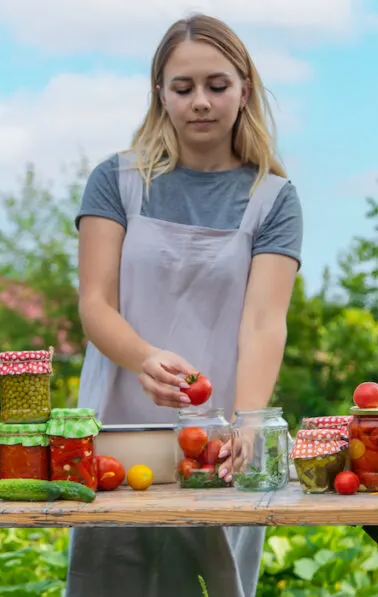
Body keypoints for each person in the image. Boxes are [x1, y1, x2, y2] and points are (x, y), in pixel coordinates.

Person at [68, 12, 303, 597]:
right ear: (160, 95)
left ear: (244, 89)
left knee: (211, 581)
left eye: (217, 86)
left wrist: (250, 420)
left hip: (220, 434)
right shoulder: (116, 180)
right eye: (183, 88)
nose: (201, 102)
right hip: (121, 423)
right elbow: (95, 303)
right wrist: (144, 357)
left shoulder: (273, 198)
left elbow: (264, 321)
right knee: (113, 577)